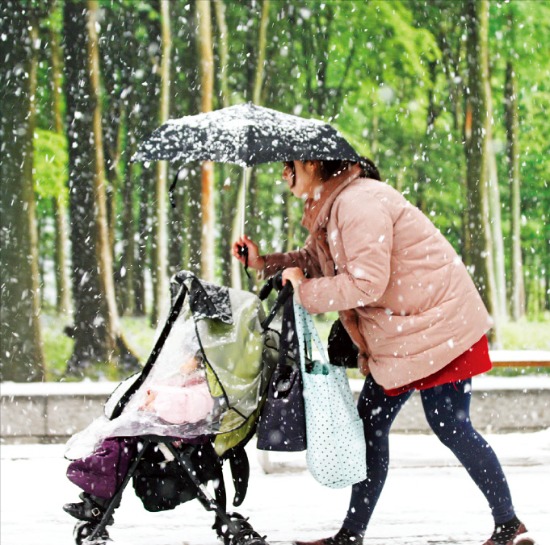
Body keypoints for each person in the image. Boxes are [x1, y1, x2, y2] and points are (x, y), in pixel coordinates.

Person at [232, 159, 534, 545]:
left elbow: (366, 284)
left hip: (436, 327)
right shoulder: (333, 207)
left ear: (311, 164)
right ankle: (352, 534)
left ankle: (509, 525)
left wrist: (304, 291)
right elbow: (315, 260)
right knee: (374, 426)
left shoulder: (359, 203)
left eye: (288, 166)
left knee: (448, 424)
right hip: (406, 332)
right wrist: (264, 262)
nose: (283, 175)